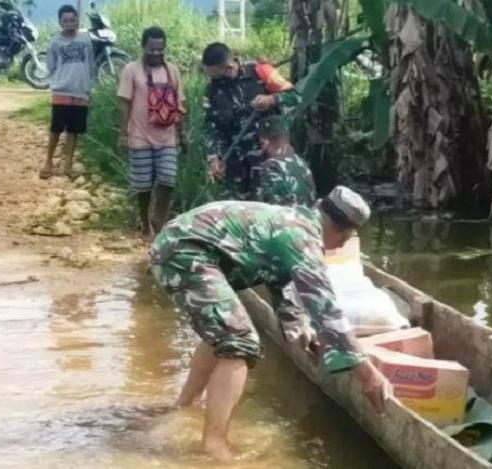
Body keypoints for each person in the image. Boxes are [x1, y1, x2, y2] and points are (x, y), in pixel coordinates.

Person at [150, 186, 392, 461]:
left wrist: (301, 330)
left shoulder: (294, 221)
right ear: (342, 233)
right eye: (345, 239)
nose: (338, 247)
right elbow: (327, 310)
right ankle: (214, 447)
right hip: (185, 251)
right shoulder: (303, 238)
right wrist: (368, 373)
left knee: (222, 333)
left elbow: (282, 284)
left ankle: (184, 405)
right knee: (240, 342)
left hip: (176, 243)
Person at [201, 42, 299, 201]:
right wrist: (213, 157)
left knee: (267, 205)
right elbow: (211, 126)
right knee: (236, 210)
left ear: (228, 68)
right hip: (234, 163)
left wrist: (271, 99)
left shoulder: (260, 71)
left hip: (266, 157)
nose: (212, 80)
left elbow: (295, 96)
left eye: (215, 76)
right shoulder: (212, 89)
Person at [117, 26, 186, 238]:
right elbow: (125, 103)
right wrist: (123, 134)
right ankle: (145, 222)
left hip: (167, 136)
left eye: (160, 49)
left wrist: (182, 134)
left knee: (168, 179)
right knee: (143, 185)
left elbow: (180, 104)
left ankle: (159, 219)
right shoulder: (131, 70)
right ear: (143, 47)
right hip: (139, 136)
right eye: (152, 49)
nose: (156, 53)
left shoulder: (172, 71)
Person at [40, 4, 95, 180]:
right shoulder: (55, 42)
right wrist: (56, 83)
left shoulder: (85, 39)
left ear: (77, 20)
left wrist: (89, 86)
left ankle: (68, 164)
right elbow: (51, 66)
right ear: (60, 22)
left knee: (73, 130)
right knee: (56, 128)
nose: (70, 23)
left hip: (81, 91)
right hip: (61, 91)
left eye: (73, 20)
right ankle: (48, 161)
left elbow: (90, 63)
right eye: (66, 20)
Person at [255, 115, 316, 207]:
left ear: (264, 141)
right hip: (306, 215)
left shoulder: (271, 166)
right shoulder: (302, 164)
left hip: (287, 215)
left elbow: (273, 206)